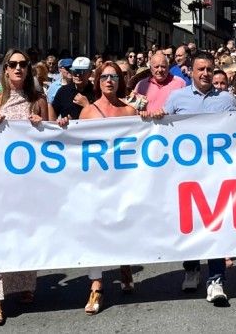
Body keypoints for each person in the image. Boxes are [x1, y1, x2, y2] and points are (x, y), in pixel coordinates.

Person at [151, 52, 236, 305]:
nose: (205, 74)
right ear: (191, 71)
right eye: (200, 69)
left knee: (215, 224)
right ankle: (191, 268)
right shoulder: (177, 98)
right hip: (185, 173)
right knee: (190, 221)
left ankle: (216, 279)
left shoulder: (225, 99)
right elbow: (160, 127)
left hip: (215, 174)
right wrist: (156, 117)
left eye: (209, 70)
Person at [0, 48, 49, 325]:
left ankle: (24, 283)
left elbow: (53, 138)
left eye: (23, 64)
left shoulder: (38, 99)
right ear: (5, 70)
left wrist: (42, 125)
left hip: (28, 182)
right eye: (12, 64)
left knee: (26, 232)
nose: (18, 68)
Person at [78, 61, 138, 313]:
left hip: (123, 182)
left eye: (114, 76)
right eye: (104, 76)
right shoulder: (88, 113)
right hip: (96, 183)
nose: (109, 81)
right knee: (96, 231)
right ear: (98, 81)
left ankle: (125, 266)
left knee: (123, 226)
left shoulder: (130, 111)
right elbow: (76, 146)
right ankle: (97, 285)